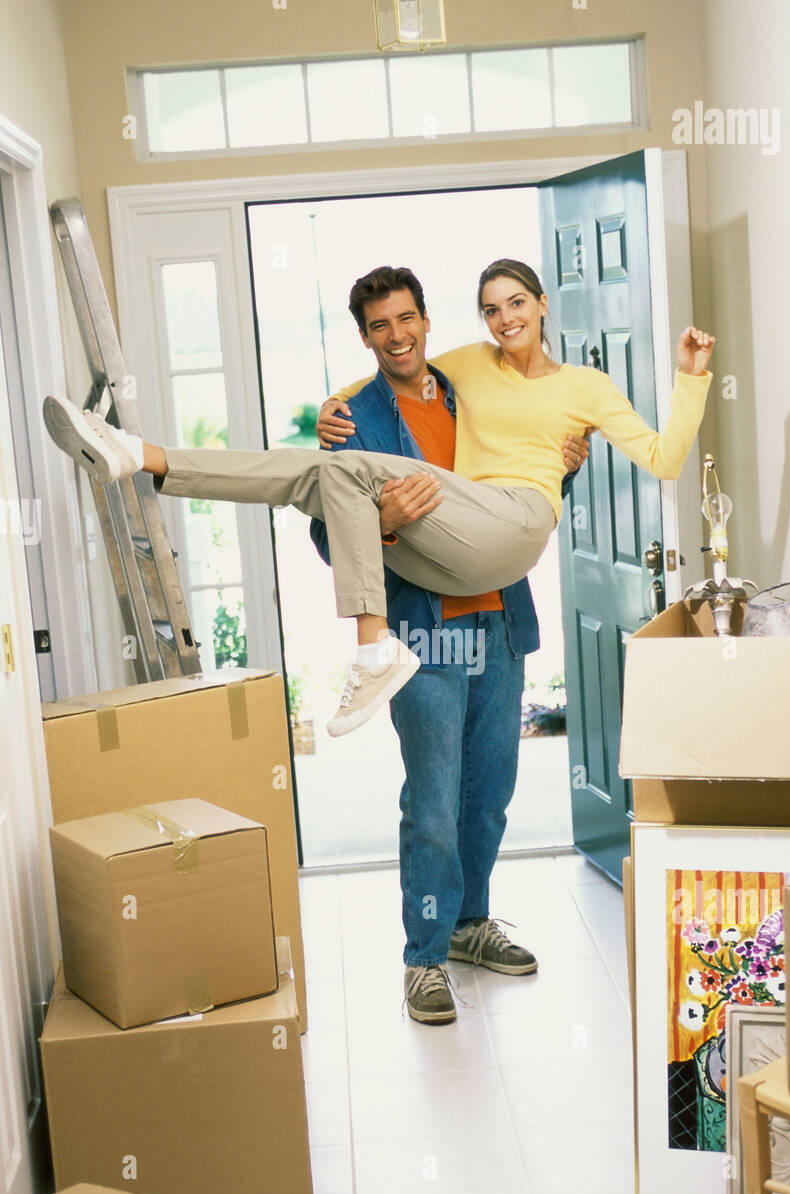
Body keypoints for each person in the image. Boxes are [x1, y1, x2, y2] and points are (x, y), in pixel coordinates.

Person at [42, 259, 714, 739]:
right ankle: (141, 457)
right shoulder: (472, 363)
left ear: (542, 304)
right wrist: (337, 404)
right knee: (322, 476)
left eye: (516, 303)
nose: (505, 318)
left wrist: (691, 378)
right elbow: (398, 366)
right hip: (450, 552)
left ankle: (371, 644)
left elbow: (664, 458)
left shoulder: (586, 386)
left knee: (338, 472)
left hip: (515, 528)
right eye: (491, 309)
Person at [309, 264, 589, 1025]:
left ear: (427, 321)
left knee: (489, 796)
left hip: (499, 622)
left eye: (407, 319)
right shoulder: (352, 420)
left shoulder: (478, 394)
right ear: (365, 337)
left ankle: (470, 925)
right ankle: (425, 957)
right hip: (424, 633)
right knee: (433, 802)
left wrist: (562, 469)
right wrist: (384, 522)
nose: (397, 335)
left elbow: (525, 484)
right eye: (380, 326)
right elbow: (328, 537)